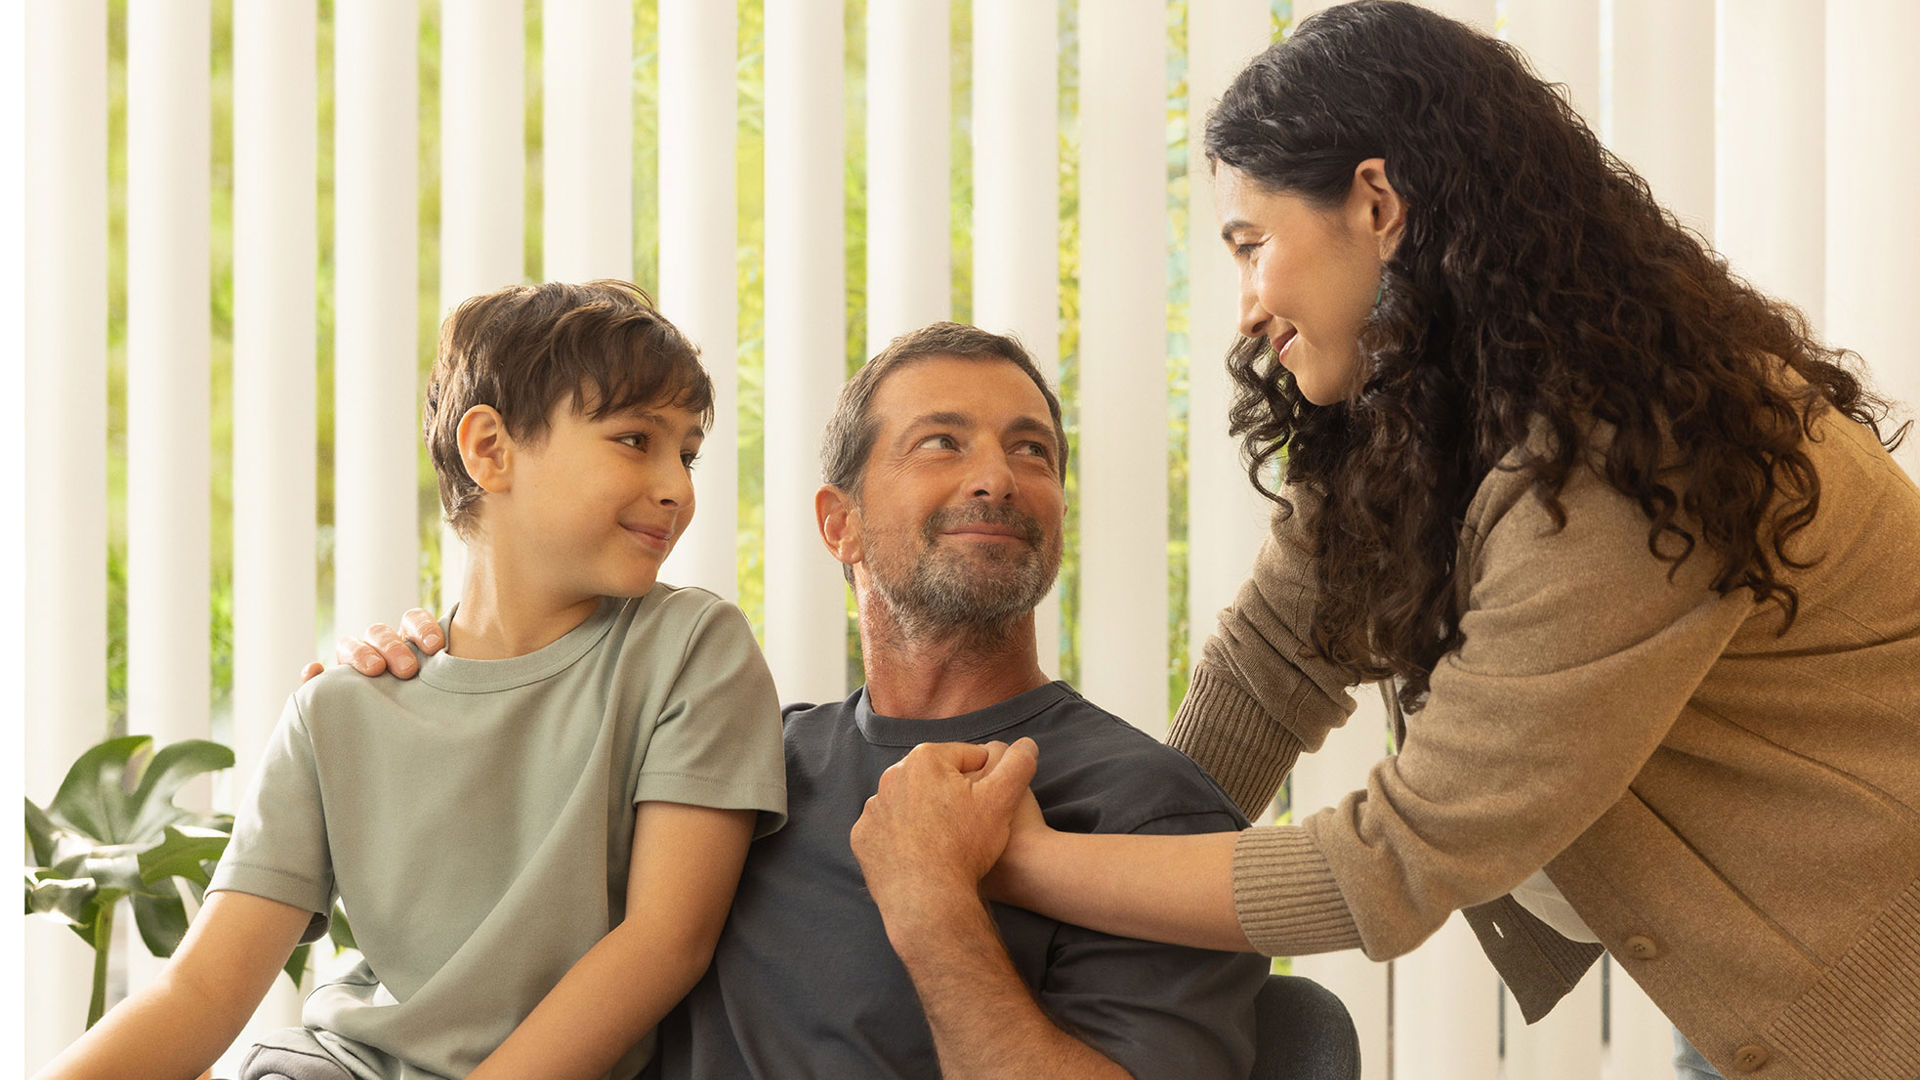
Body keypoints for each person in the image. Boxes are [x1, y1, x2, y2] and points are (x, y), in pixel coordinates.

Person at [856, 5, 1920, 1080]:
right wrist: (1113, 877)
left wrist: (1017, 865)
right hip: (1753, 983)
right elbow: (1270, 668)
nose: (1246, 308)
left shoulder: (1630, 460)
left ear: (1376, 204)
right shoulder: (1417, 418)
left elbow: (1399, 861)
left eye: (1253, 245)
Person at [343, 323, 1272, 1079]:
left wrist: (934, 904)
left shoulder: (1153, 817)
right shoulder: (735, 768)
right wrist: (416, 689)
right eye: (943, 442)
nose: (998, 476)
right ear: (840, 524)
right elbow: (471, 923)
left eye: (1032, 451)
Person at [37, 280, 787, 1080]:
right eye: (636, 440)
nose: (678, 486)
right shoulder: (338, 709)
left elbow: (664, 942)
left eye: (687, 452)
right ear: (489, 449)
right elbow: (201, 992)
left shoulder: (692, 650)